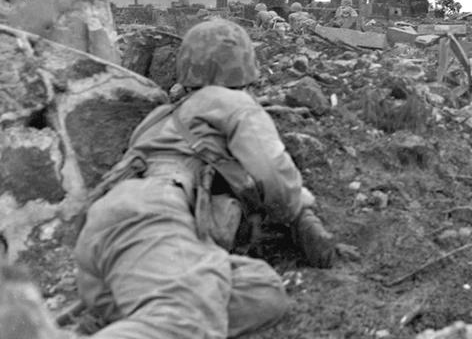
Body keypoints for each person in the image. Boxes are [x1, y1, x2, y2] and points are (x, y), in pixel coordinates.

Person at [73, 19, 337, 338]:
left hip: (102, 238)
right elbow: (274, 174)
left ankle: (124, 322)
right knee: (185, 322)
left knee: (265, 293)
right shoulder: (234, 103)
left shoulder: (159, 118)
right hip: (157, 221)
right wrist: (299, 214)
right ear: (244, 69)